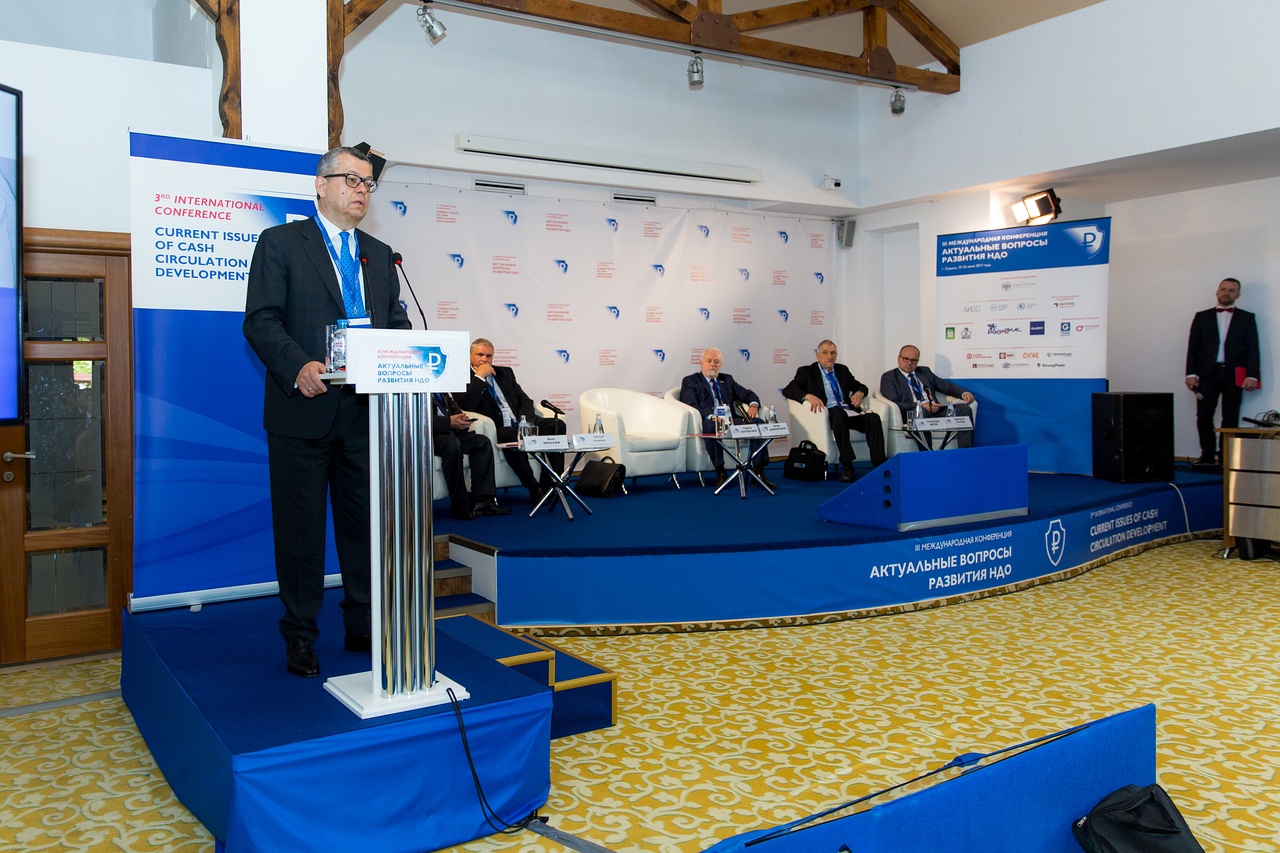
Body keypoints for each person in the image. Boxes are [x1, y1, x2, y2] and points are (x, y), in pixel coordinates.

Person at [243, 146, 410, 678]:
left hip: (365, 414)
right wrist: (298, 366)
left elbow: (396, 324)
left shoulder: (379, 254)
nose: (361, 190)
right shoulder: (281, 243)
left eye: (368, 183)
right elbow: (261, 320)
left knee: (364, 528)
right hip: (303, 411)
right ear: (321, 185)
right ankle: (300, 635)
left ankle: (362, 624)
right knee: (301, 533)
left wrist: (405, 353)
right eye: (351, 180)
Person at [453, 337, 567, 503]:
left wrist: (525, 422)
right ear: (470, 356)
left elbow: (525, 401)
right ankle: (534, 488)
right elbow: (465, 405)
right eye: (480, 355)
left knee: (556, 425)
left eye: (489, 356)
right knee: (508, 434)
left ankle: (551, 485)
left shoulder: (505, 373)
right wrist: (480, 377)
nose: (484, 359)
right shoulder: (462, 376)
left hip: (520, 423)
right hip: (497, 427)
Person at [783, 339, 887, 481]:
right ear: (818, 356)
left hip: (848, 413)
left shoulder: (842, 370)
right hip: (829, 415)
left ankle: (880, 465)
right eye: (825, 353)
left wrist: (859, 393)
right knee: (838, 415)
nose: (829, 356)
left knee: (873, 418)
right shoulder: (807, 372)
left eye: (833, 353)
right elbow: (789, 390)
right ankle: (848, 465)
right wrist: (807, 396)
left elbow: (861, 386)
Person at [1185, 277, 1261, 466]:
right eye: (1223, 289)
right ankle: (1207, 456)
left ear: (1238, 295)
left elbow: (1253, 348)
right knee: (1204, 415)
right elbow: (1193, 347)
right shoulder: (1202, 317)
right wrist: (1191, 374)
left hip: (1234, 374)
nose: (1226, 293)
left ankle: (1226, 457)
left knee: (1231, 416)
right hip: (1207, 374)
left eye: (1231, 290)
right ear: (1217, 291)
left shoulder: (1247, 318)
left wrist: (1252, 375)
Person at [679, 348, 775, 489]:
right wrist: (712, 416)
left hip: (730, 420)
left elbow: (748, 394)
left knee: (759, 424)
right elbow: (690, 404)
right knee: (710, 427)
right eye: (709, 361)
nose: (713, 364)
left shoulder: (727, 380)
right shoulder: (691, 381)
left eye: (716, 362)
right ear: (701, 362)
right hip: (710, 420)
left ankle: (758, 473)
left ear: (721, 365)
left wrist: (754, 406)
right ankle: (721, 472)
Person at [432, 392, 513, 521]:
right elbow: (416, 418)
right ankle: (459, 504)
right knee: (453, 445)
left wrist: (462, 418)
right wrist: (448, 422)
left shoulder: (441, 390)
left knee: (482, 443)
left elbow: (453, 408)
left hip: (451, 433)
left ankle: (483, 500)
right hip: (430, 435)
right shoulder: (415, 388)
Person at [879, 345, 976, 449]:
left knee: (964, 410)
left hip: (936, 409)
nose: (909, 363)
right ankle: (927, 454)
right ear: (898, 359)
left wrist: (964, 393)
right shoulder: (889, 377)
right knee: (921, 413)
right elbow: (895, 402)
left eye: (913, 360)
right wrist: (921, 406)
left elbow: (946, 386)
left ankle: (966, 453)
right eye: (906, 359)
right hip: (913, 412)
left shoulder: (925, 372)